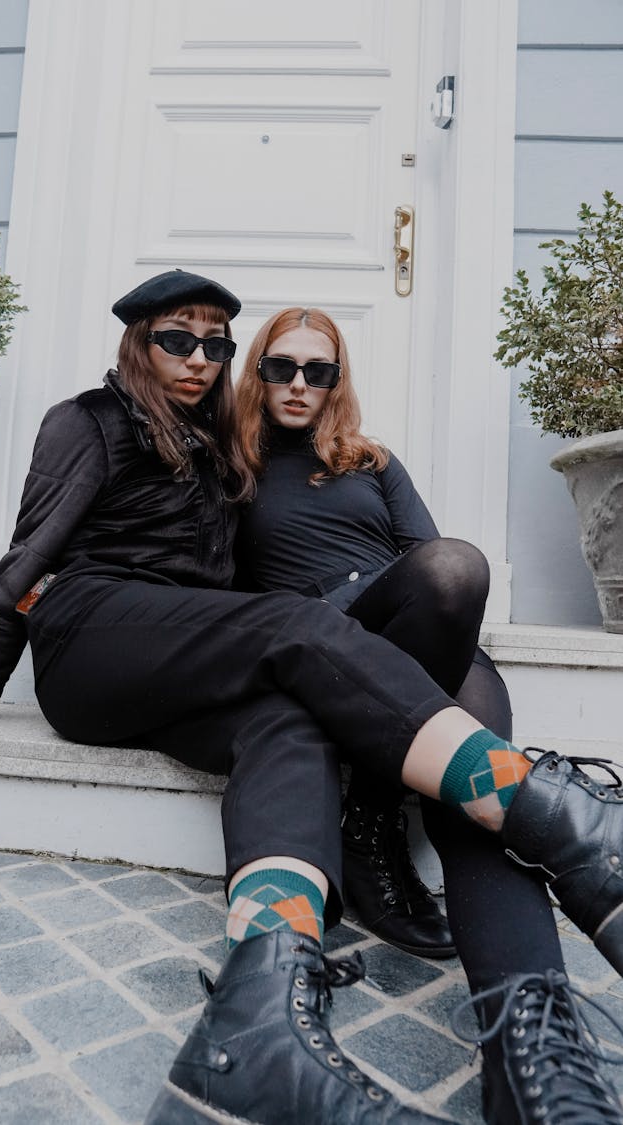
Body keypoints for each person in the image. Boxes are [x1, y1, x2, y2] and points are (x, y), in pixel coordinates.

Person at [0, 273, 623, 1125]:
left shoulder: (224, 448)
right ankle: (553, 812)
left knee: (289, 723)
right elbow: (30, 555)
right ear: (137, 341)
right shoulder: (90, 420)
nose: (200, 359)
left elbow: (400, 562)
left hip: (200, 655)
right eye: (178, 339)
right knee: (291, 629)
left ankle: (257, 1024)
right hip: (96, 634)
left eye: (216, 345)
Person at [234, 305, 623, 1123]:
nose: (300, 383)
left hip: (415, 638)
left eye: (320, 370)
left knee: (452, 573)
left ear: (339, 381)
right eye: (282, 367)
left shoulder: (372, 462)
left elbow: (433, 569)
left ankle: (535, 1057)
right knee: (454, 604)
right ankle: (533, 1024)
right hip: (323, 645)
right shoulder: (229, 466)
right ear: (257, 371)